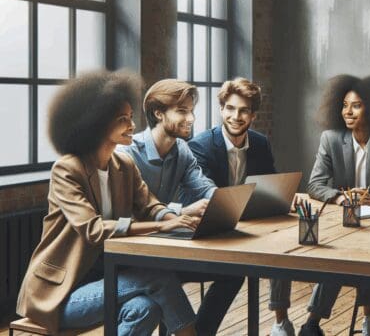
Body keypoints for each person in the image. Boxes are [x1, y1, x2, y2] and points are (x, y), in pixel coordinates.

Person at [16, 71, 199, 335]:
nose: (132, 125)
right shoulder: (67, 169)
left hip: (107, 279)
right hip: (61, 294)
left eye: (130, 117)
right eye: (122, 119)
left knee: (146, 308)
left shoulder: (123, 164)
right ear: (97, 124)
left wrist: (177, 221)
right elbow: (94, 230)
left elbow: (150, 206)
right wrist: (160, 228)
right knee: (157, 277)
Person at [118, 79, 242, 336]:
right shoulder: (128, 153)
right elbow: (130, 213)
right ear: (159, 113)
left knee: (233, 272)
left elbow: (203, 186)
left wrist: (226, 202)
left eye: (191, 111)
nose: (191, 118)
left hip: (166, 252)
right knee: (162, 277)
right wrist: (182, 212)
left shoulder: (181, 150)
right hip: (133, 257)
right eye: (182, 111)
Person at [300, 75, 370, 336]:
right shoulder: (331, 138)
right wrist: (341, 198)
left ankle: (313, 324)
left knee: (349, 263)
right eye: (345, 104)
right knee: (343, 261)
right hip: (342, 222)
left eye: (356, 105)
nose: (347, 111)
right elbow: (314, 184)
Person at [188, 78, 293, 336]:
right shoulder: (200, 146)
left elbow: (271, 186)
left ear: (253, 115)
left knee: (286, 247)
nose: (236, 116)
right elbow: (209, 197)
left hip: (248, 228)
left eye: (244, 110)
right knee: (234, 272)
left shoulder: (260, 143)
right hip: (212, 230)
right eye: (231, 109)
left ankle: (282, 322)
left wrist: (286, 197)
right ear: (221, 110)